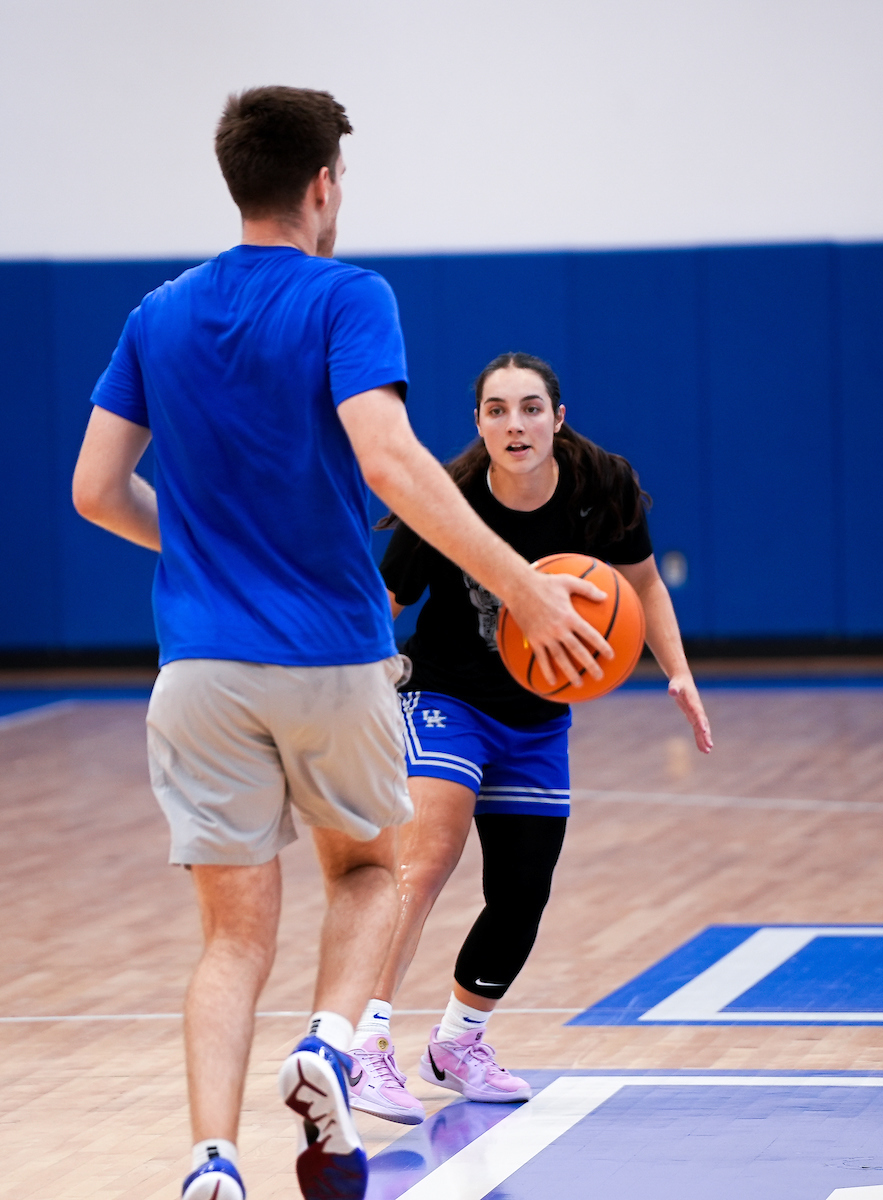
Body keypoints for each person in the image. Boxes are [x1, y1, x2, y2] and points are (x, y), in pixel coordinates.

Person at [71, 92, 614, 1200]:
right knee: (369, 872)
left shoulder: (156, 315)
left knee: (229, 939)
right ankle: (325, 1046)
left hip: (199, 670)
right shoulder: (346, 296)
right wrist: (520, 583)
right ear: (323, 184)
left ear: (236, 180)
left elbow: (92, 488)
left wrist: (209, 544)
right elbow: (389, 459)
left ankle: (211, 1163)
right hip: (326, 652)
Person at [346, 352, 713, 1125]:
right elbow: (381, 599)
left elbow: (641, 583)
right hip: (446, 694)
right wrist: (361, 680)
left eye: (531, 408)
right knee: (428, 856)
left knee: (521, 893)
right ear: (478, 423)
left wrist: (676, 670)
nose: (515, 424)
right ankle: (363, 1048)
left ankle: (457, 1043)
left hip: (539, 713)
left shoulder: (601, 485)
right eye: (497, 410)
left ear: (558, 417)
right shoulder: (443, 497)